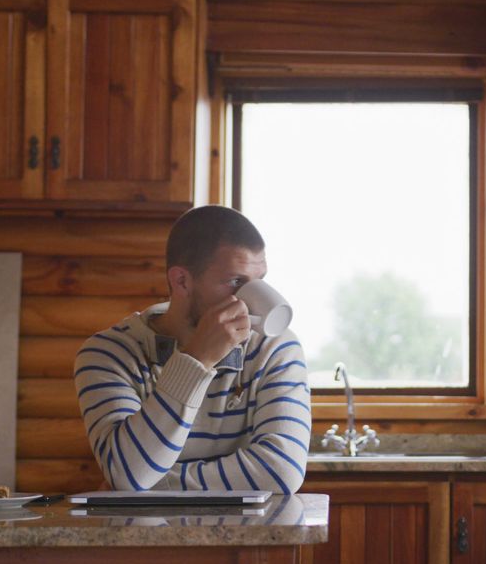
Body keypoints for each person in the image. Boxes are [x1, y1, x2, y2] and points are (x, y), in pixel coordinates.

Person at [73, 206, 310, 493]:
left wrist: (152, 485)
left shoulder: (276, 347)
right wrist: (196, 359)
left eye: (260, 280)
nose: (250, 300)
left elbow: (282, 470)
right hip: (142, 536)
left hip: (251, 536)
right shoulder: (108, 354)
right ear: (182, 281)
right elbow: (130, 472)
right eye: (236, 282)